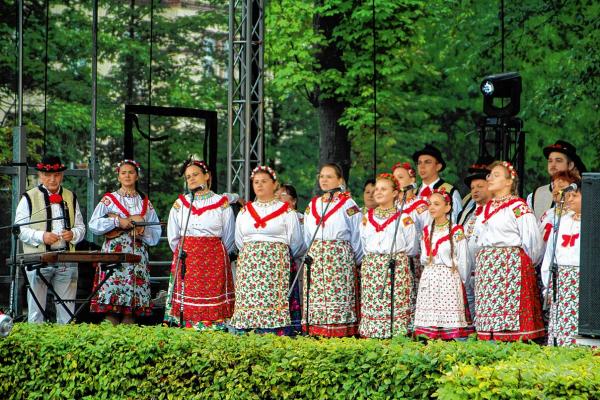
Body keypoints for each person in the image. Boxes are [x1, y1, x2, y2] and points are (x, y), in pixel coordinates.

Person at [472, 161, 545, 341]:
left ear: (509, 182)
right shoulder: (484, 209)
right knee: (489, 317)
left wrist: (522, 264)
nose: (490, 178)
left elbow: (532, 241)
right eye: (489, 175)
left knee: (509, 316)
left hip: (509, 265)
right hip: (487, 266)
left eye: (496, 175)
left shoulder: (518, 207)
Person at [230, 166, 305, 334]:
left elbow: (296, 242)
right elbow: (239, 241)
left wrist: (274, 253)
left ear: (275, 184)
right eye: (256, 182)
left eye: (264, 181)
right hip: (250, 267)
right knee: (250, 305)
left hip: (276, 267)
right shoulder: (245, 211)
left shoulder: (287, 212)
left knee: (274, 307)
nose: (259, 185)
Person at [164, 159, 235, 330]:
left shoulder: (222, 203)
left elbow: (229, 237)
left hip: (214, 261)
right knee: (187, 306)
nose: (192, 179)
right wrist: (189, 251)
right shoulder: (181, 203)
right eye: (188, 177)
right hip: (187, 260)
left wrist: (211, 251)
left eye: (195, 175)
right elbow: (173, 236)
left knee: (214, 303)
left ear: (207, 176)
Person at [89, 160, 161, 324]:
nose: (127, 175)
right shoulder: (109, 199)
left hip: (136, 254)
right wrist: (117, 222)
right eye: (123, 172)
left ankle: (127, 341)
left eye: (131, 172)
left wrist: (142, 230)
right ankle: (107, 343)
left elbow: (155, 231)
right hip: (115, 253)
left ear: (137, 176)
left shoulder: (145, 203)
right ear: (118, 176)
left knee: (131, 312)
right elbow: (93, 224)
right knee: (111, 309)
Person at [15, 155, 86, 323]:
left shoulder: (70, 196)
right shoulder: (28, 197)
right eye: (48, 175)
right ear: (40, 175)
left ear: (61, 175)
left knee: (67, 310)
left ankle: (64, 344)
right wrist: (42, 236)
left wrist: (73, 234)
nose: (53, 179)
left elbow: (81, 227)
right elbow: (19, 229)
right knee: (35, 311)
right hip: (38, 259)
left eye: (56, 175)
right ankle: (35, 343)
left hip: (66, 259)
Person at [303, 163, 363, 337]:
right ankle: (317, 332)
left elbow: (357, 235)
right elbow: (308, 235)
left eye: (329, 176)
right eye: (322, 176)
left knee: (338, 300)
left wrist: (352, 260)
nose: (324, 180)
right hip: (316, 258)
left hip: (339, 259)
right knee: (317, 301)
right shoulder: (313, 204)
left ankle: (340, 335)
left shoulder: (348, 204)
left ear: (340, 180)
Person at [359, 173, 417, 338]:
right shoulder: (366, 218)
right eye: (376, 189)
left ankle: (396, 338)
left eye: (383, 189)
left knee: (394, 304)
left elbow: (411, 247)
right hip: (372, 266)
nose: (377, 192)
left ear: (395, 193)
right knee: (374, 304)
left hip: (396, 265)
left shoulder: (404, 218)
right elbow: (364, 243)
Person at [413, 188, 474, 339]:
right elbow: (424, 258)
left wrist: (461, 282)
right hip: (429, 278)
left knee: (448, 326)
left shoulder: (456, 231)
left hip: (449, 279)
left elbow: (464, 260)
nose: (431, 207)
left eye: (436, 204)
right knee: (430, 324)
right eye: (429, 204)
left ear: (447, 207)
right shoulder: (427, 231)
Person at [541, 180, 582, 346]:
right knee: (561, 326)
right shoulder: (562, 222)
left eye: (575, 195)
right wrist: (548, 287)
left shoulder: (593, 222)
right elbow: (550, 256)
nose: (570, 199)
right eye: (568, 195)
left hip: (582, 279)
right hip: (561, 279)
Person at [391, 161, 430, 330]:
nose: (397, 181)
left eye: (401, 177)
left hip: (415, 257)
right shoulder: (392, 206)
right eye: (394, 178)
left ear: (412, 178)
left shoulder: (420, 205)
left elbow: (428, 230)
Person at [458, 160, 492, 318]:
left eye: (480, 187)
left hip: (485, 273)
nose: (475, 191)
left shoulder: (495, 211)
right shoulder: (469, 212)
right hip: (467, 273)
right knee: (468, 316)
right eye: (472, 188)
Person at [527, 140, 586, 219]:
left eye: (558, 160)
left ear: (571, 165)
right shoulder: (535, 195)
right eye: (550, 161)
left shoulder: (584, 194)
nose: (553, 165)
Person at [276, 183, 303, 333]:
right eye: (277, 196)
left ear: (293, 201)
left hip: (297, 262)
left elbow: (298, 243)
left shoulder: (300, 218)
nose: (279, 199)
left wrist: (286, 255)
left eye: (283, 196)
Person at [412, 143, 462, 222]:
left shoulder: (450, 192)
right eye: (419, 163)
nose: (422, 166)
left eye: (427, 162)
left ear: (438, 166)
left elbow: (457, 221)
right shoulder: (413, 193)